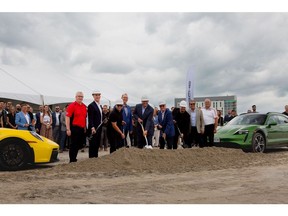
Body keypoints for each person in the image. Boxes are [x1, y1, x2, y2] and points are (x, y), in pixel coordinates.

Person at [66, 91, 87, 163]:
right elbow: (67, 117)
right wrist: (68, 129)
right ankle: (72, 160)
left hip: (81, 128)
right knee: (73, 144)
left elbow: (84, 118)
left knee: (79, 145)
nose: (80, 98)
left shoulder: (84, 106)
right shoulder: (72, 106)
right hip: (74, 128)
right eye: (79, 96)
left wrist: (84, 128)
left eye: (81, 96)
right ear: (76, 97)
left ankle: (74, 158)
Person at [87, 90, 103, 158]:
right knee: (93, 144)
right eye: (96, 95)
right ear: (93, 96)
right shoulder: (91, 105)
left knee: (96, 143)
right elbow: (90, 118)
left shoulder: (99, 105)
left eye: (98, 95)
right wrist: (92, 127)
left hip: (99, 128)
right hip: (94, 128)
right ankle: (91, 159)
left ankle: (95, 158)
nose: (97, 96)